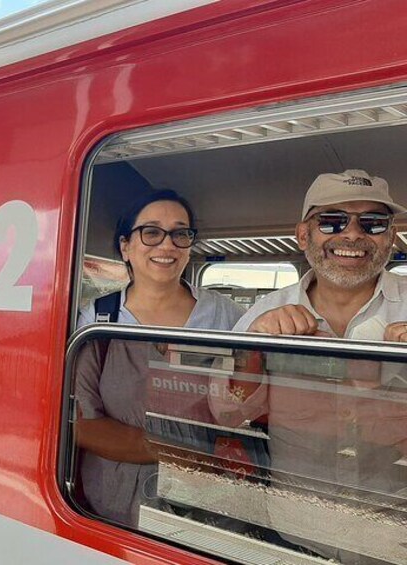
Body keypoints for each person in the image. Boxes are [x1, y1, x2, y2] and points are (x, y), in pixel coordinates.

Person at [211, 169, 407, 564]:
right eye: (332, 221)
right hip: (297, 530)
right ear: (304, 236)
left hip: (395, 535)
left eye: (373, 223)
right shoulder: (263, 313)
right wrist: (254, 348)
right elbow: (225, 412)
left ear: (390, 237)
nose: (352, 235)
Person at [73, 189, 245, 527]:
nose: (167, 245)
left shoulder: (227, 317)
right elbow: (81, 422)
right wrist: (171, 452)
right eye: (151, 232)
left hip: (204, 505)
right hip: (109, 503)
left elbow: (246, 406)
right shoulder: (96, 318)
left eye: (181, 234)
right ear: (125, 246)